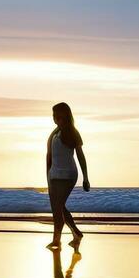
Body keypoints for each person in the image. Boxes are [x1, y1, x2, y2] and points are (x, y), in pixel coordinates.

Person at [45, 102, 89, 250]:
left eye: (55, 114)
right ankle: (76, 233)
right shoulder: (54, 133)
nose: (53, 117)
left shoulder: (72, 132)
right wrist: (48, 176)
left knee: (57, 208)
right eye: (52, 115)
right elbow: (49, 156)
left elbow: (81, 156)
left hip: (68, 175)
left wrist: (86, 177)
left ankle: (56, 240)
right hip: (54, 175)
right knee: (59, 207)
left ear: (62, 115)